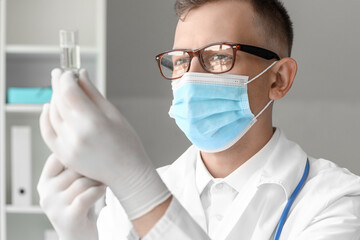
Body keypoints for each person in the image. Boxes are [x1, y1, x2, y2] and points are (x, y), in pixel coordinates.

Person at [37, 0, 360, 239]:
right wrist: (79, 235)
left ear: (278, 79)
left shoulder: (335, 200)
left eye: (218, 55)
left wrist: (137, 185)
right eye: (179, 61)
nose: (189, 78)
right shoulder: (128, 199)